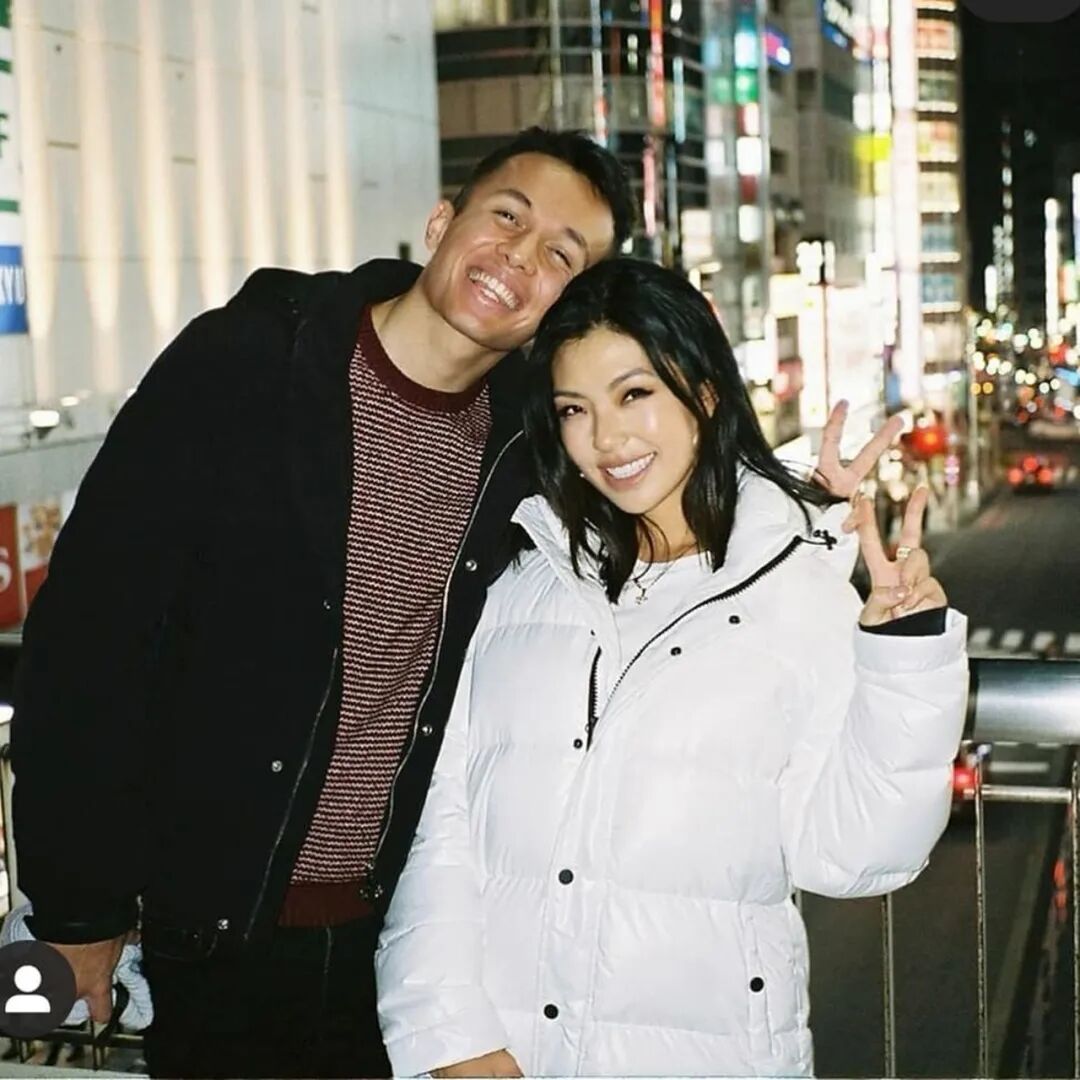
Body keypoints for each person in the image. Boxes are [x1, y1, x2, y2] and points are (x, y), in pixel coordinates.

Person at [10, 127, 633, 1079]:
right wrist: (77, 910)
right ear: (442, 222)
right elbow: (90, 635)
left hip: (402, 942)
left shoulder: (526, 445)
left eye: (561, 254)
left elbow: (660, 504)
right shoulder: (249, 364)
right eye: (508, 217)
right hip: (210, 933)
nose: (520, 256)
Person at [375, 258, 969, 1078]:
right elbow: (438, 821)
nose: (606, 438)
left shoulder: (799, 597)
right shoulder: (526, 581)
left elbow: (856, 854)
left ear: (706, 392)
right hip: (506, 1054)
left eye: (635, 394)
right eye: (575, 409)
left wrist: (907, 655)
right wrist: (452, 1037)